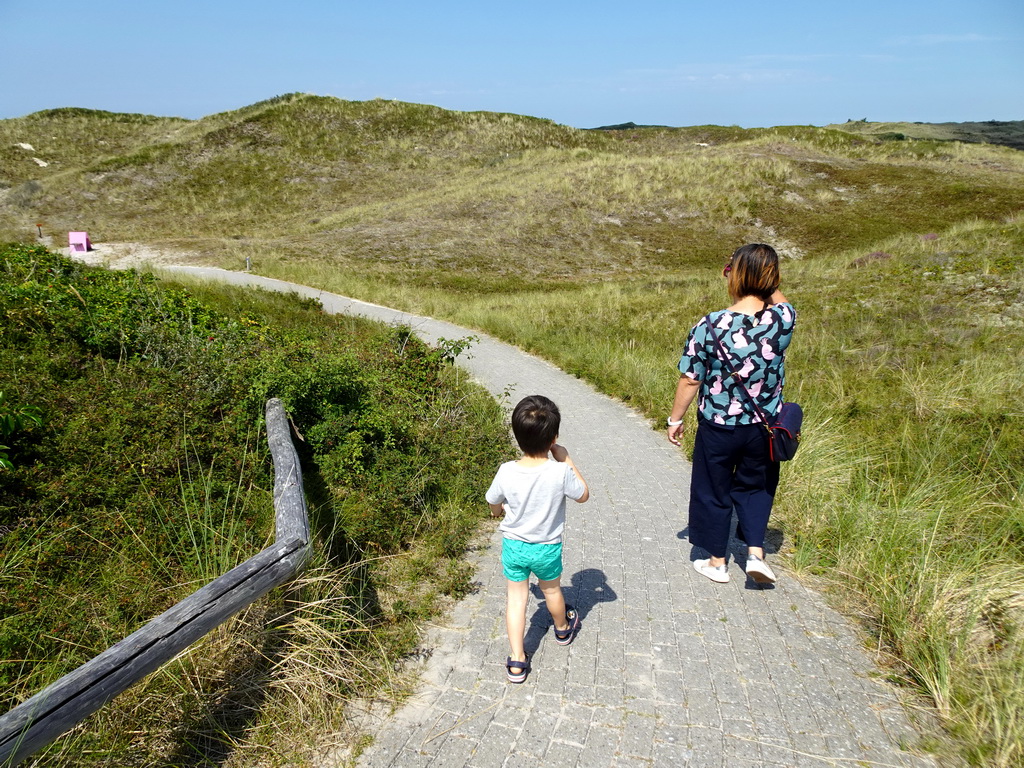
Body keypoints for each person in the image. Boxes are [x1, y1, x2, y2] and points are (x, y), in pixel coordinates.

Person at [666, 243, 796, 585]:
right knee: (756, 488)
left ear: (733, 276)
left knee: (713, 489)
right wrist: (764, 277)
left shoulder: (709, 325)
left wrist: (675, 419)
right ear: (772, 278)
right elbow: (780, 300)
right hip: (763, 428)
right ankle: (755, 554)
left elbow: (690, 379)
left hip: (719, 427)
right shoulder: (782, 321)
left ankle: (717, 561)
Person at [486, 395, 590, 683]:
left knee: (516, 598)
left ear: (516, 435)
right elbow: (583, 494)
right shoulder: (559, 471)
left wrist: (498, 512)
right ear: (553, 438)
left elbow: (493, 501)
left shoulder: (507, 470)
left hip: (515, 546)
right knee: (552, 591)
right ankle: (562, 627)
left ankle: (517, 659)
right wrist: (566, 458)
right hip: (546, 548)